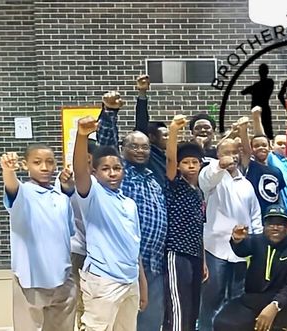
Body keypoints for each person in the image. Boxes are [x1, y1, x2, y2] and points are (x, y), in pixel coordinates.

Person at [97, 91, 167, 331]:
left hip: (155, 265)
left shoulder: (153, 180)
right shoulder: (120, 174)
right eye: (134, 146)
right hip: (126, 265)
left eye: (145, 147)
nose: (140, 151)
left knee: (150, 324)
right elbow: (105, 143)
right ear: (123, 149)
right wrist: (109, 112)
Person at [72, 116, 148, 330]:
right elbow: (79, 171)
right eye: (105, 169)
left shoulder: (129, 204)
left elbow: (134, 246)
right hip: (103, 281)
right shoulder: (93, 195)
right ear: (94, 172)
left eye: (117, 168)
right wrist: (82, 136)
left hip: (130, 279)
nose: (112, 173)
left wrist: (141, 282)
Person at [0, 145, 76, 331]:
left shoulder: (62, 198)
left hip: (63, 280)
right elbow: (12, 185)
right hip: (30, 282)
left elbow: (69, 234)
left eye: (50, 162)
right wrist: (8, 170)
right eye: (37, 162)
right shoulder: (23, 193)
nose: (44, 167)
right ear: (25, 165)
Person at [198, 137, 263, 331]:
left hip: (242, 251)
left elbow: (255, 215)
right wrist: (219, 165)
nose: (232, 157)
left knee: (237, 299)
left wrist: (257, 243)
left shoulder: (246, 184)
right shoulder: (211, 175)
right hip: (215, 249)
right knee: (211, 297)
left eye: (235, 152)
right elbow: (207, 179)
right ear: (217, 156)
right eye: (226, 152)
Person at [213, 205, 287, 331]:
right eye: (270, 223)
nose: (275, 227)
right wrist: (237, 240)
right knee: (223, 321)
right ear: (264, 226)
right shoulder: (259, 240)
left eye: (280, 224)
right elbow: (242, 250)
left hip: (283, 303)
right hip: (253, 299)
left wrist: (275, 306)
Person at [163, 115, 208, 331]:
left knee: (192, 305)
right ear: (179, 166)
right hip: (176, 253)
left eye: (195, 162)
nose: (191, 166)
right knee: (178, 304)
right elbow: (170, 160)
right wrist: (173, 131)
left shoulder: (199, 193)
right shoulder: (175, 185)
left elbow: (200, 228)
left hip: (195, 255)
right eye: (186, 162)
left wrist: (204, 260)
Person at [56, 138, 98, 329]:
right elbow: (66, 193)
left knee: (94, 303)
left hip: (100, 253)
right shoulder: (69, 178)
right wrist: (66, 186)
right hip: (78, 250)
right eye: (83, 159)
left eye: (90, 160)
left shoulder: (101, 180)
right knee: (79, 300)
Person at [237, 113, 286, 215]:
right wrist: (243, 129)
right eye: (256, 146)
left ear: (270, 148)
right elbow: (246, 151)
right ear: (252, 150)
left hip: (272, 215)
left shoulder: (276, 171)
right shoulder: (250, 165)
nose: (261, 148)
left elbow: (279, 195)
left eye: (264, 145)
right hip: (254, 214)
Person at [252, 106, 287, 215]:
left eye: (285, 144)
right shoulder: (271, 158)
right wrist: (256, 118)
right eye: (279, 143)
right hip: (282, 212)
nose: (283, 146)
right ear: (271, 146)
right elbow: (261, 139)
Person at [132, 74, 168, 187]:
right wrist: (142, 94)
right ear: (152, 137)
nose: (170, 139)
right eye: (165, 135)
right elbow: (142, 123)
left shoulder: (167, 156)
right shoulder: (149, 153)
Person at [241, 63, 276, 139]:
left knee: (267, 129)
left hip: (264, 109)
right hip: (257, 109)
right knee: (258, 128)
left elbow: (247, 91)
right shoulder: (256, 85)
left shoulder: (268, 82)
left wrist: (253, 89)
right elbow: (243, 92)